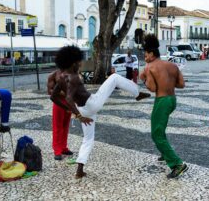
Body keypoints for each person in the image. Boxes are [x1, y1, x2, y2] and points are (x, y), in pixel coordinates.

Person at [50, 45, 150, 178]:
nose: (80, 64)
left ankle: (80, 169)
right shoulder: (73, 77)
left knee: (88, 139)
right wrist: (79, 116)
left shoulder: (62, 77)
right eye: (79, 62)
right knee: (114, 78)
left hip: (84, 109)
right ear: (73, 62)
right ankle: (137, 93)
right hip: (92, 104)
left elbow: (53, 96)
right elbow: (68, 98)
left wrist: (70, 110)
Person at [139, 35, 188, 179]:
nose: (144, 56)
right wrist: (167, 81)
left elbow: (152, 88)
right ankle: (163, 153)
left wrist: (145, 79)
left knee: (156, 134)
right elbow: (181, 84)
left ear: (152, 54)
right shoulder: (172, 65)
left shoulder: (150, 67)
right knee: (160, 128)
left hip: (161, 100)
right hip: (172, 100)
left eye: (145, 54)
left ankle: (177, 164)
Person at [47, 70, 73, 160]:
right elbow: (49, 91)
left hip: (69, 101)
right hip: (58, 101)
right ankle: (57, 150)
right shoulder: (53, 74)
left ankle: (63, 147)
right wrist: (61, 92)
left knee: (65, 126)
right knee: (57, 126)